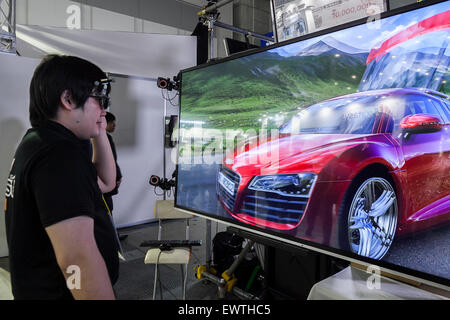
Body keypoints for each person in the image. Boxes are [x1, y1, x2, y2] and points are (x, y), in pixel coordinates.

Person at [3, 55, 119, 300]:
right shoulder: (59, 155)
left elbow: (106, 183)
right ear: (68, 99)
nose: (105, 109)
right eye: (99, 100)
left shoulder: (39, 143)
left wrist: (97, 128)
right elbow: (76, 259)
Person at [103, 112, 127, 241]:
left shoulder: (100, 137)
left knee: (108, 208)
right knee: (107, 208)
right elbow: (110, 160)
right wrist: (117, 175)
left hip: (105, 179)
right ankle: (112, 237)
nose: (114, 126)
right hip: (106, 179)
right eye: (112, 123)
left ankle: (113, 235)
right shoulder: (103, 138)